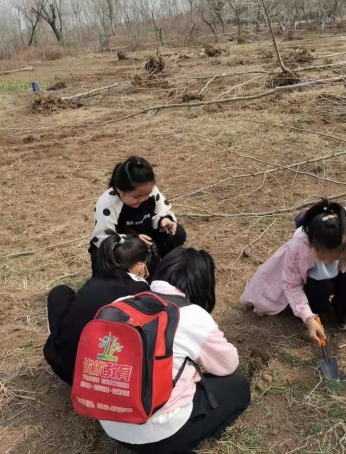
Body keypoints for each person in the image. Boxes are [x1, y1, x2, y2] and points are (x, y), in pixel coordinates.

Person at [103, 247, 251, 454]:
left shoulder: (121, 303)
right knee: (238, 386)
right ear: (202, 284)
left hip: (110, 420)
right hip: (156, 433)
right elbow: (228, 365)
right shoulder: (192, 316)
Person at [239, 198, 346, 346]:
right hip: (313, 282)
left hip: (342, 272)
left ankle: (343, 310)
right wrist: (308, 318)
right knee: (319, 287)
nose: (327, 262)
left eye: (335, 256)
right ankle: (316, 312)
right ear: (311, 245)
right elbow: (292, 284)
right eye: (321, 257)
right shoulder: (299, 246)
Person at [44, 230, 152, 385]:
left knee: (61, 292)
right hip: (101, 377)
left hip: (63, 367)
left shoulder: (95, 281)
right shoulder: (139, 290)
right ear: (141, 266)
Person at [90, 156, 186, 276]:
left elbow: (161, 210)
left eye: (147, 194)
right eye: (136, 197)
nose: (143, 199)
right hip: (121, 246)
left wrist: (164, 220)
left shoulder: (149, 192)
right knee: (105, 266)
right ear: (120, 190)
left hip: (146, 239)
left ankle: (163, 265)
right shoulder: (108, 204)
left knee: (176, 233)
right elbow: (103, 237)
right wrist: (132, 241)